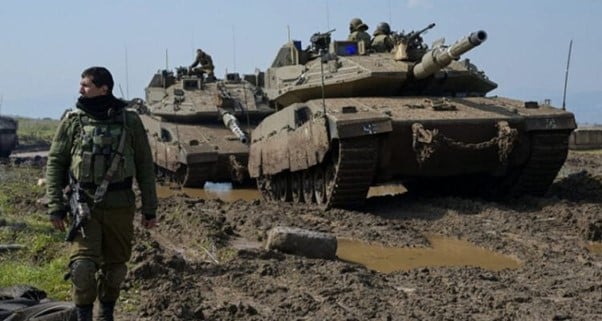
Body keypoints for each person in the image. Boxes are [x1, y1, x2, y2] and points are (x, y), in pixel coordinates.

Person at [46, 66, 158, 321]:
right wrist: (55, 205)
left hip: (120, 205)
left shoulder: (129, 121)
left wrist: (150, 208)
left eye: (86, 85)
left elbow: (144, 165)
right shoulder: (73, 121)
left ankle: (106, 313)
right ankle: (84, 315)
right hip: (85, 207)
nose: (80, 89)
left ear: (103, 88)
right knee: (83, 268)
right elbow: (55, 162)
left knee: (115, 269)